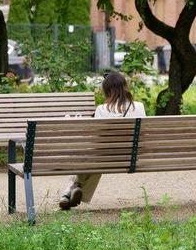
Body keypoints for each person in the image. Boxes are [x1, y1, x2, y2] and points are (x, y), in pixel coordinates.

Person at [59, 71, 146, 210]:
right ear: (125, 87)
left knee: (93, 158)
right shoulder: (139, 106)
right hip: (133, 157)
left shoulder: (101, 109)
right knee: (95, 161)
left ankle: (72, 189)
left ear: (107, 90)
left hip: (106, 158)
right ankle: (71, 192)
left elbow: (96, 139)